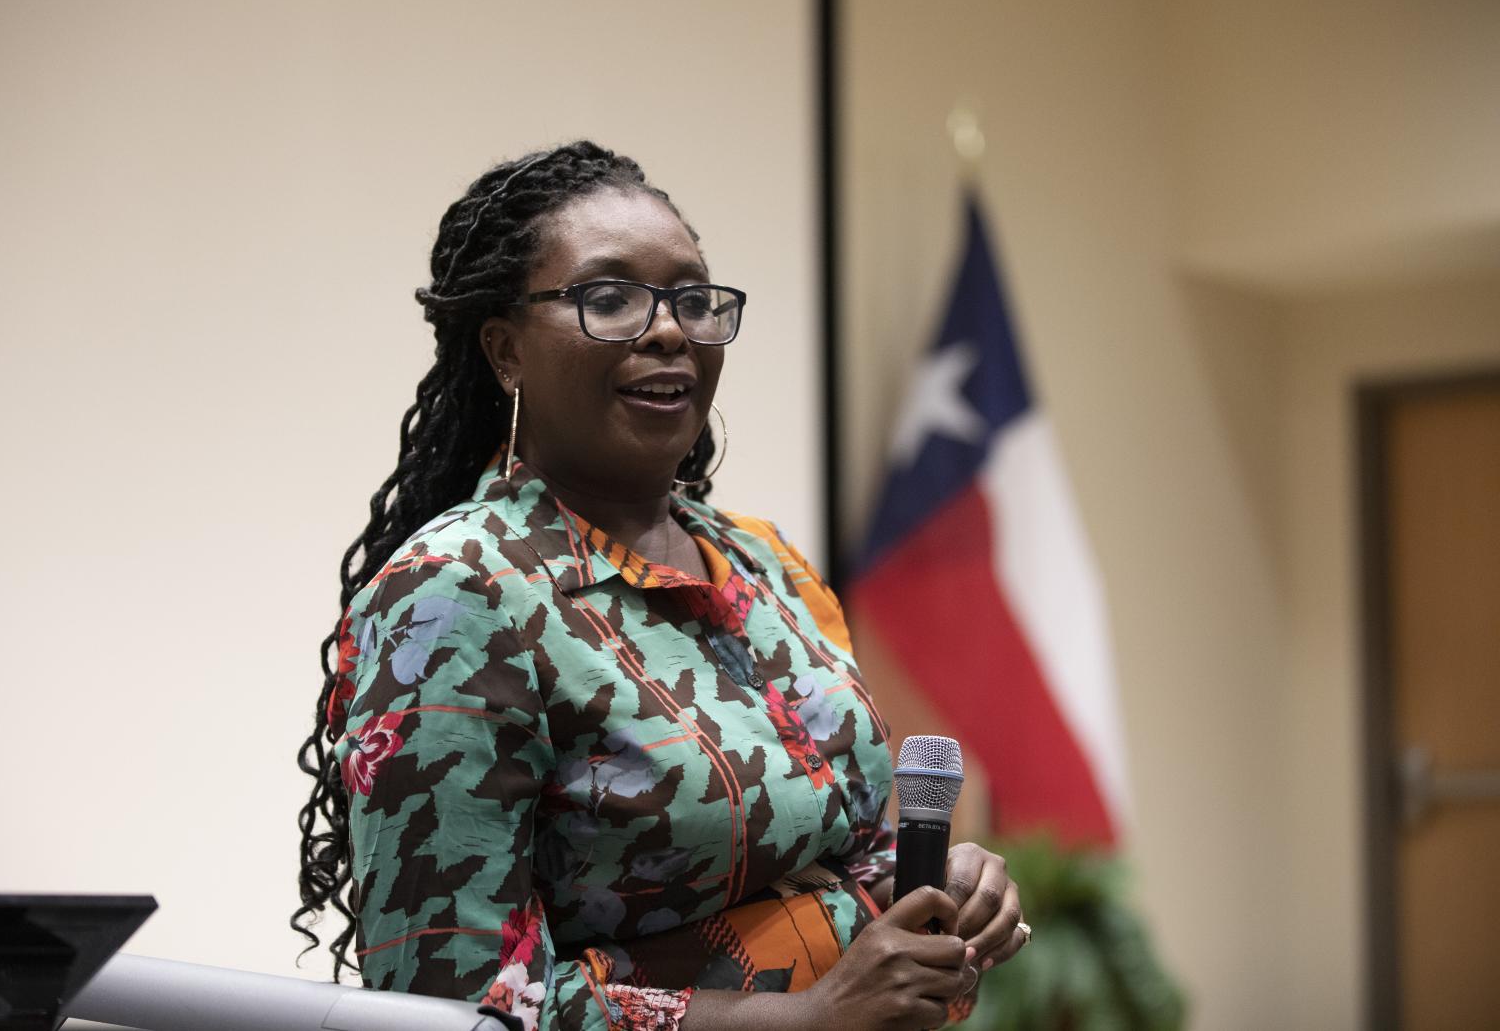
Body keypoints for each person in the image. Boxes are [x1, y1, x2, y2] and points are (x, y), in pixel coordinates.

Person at [294, 141, 1029, 1031]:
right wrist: (802, 1021)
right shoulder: (457, 595)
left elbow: (839, 854)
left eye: (692, 299)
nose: (670, 328)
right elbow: (451, 1006)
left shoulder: (766, 563)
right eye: (609, 298)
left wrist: (935, 885)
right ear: (504, 349)